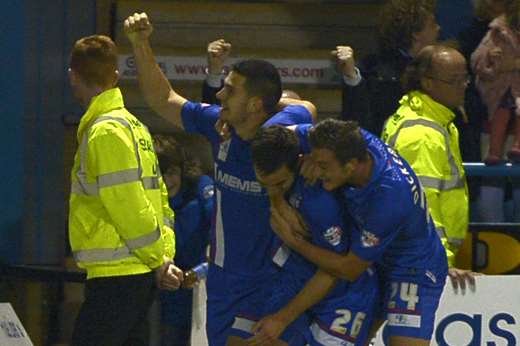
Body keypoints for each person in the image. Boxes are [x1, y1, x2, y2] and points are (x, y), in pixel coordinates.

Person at [124, 12, 317, 346]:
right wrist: (140, 44)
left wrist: (277, 121)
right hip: (224, 282)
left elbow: (309, 107)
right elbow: (163, 99)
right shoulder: (219, 128)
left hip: (272, 280)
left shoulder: (285, 132)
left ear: (256, 104)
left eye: (230, 90)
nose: (219, 96)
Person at [281, 119, 448, 346]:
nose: (317, 172)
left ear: (350, 166)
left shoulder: (390, 198)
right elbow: (282, 130)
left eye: (324, 166)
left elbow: (349, 269)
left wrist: (294, 241)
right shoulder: (347, 140)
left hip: (411, 268)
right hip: (369, 257)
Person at [67, 34, 183, 346]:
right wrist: (165, 255)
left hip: (118, 275)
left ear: (72, 76)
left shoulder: (104, 132)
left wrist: (159, 259)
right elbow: (161, 200)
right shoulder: (135, 127)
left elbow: (128, 206)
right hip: (137, 273)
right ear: (116, 77)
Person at [248, 126, 379, 346]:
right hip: (296, 275)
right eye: (264, 185)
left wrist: (282, 319)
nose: (273, 189)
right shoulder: (273, 164)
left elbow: (335, 271)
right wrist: (277, 199)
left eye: (279, 184)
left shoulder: (321, 204)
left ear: (299, 163)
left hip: (344, 291)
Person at [381, 45, 474, 279]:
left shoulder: (433, 120)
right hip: (421, 266)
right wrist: (440, 262)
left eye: (465, 78)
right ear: (427, 82)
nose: (463, 85)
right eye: (454, 80)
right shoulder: (423, 134)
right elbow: (425, 206)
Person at [334, 0, 439, 136]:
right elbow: (359, 120)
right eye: (432, 24)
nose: (438, 28)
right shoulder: (374, 69)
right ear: (416, 34)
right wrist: (351, 76)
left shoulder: (438, 66)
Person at [154, 135, 214, 346]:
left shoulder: (201, 188)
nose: (167, 181)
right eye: (159, 175)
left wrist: (200, 272)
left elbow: (223, 237)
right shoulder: (147, 202)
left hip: (202, 287)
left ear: (182, 170)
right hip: (167, 289)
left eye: (171, 173)